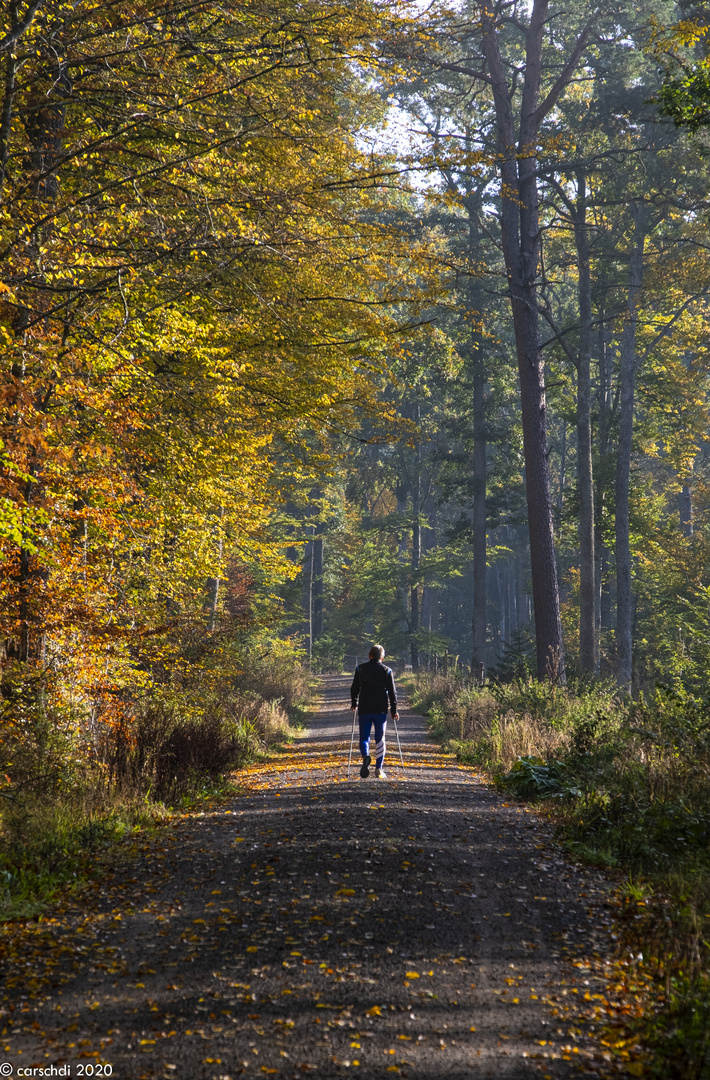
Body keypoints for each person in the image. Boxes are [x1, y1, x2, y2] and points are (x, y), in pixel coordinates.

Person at [350, 645, 399, 779]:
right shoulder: (387, 671)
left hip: (365, 707)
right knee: (380, 739)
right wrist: (394, 710)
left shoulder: (360, 669)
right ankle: (379, 768)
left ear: (369, 655)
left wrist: (354, 703)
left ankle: (366, 756)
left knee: (364, 738)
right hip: (380, 709)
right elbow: (393, 693)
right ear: (382, 657)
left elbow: (354, 688)